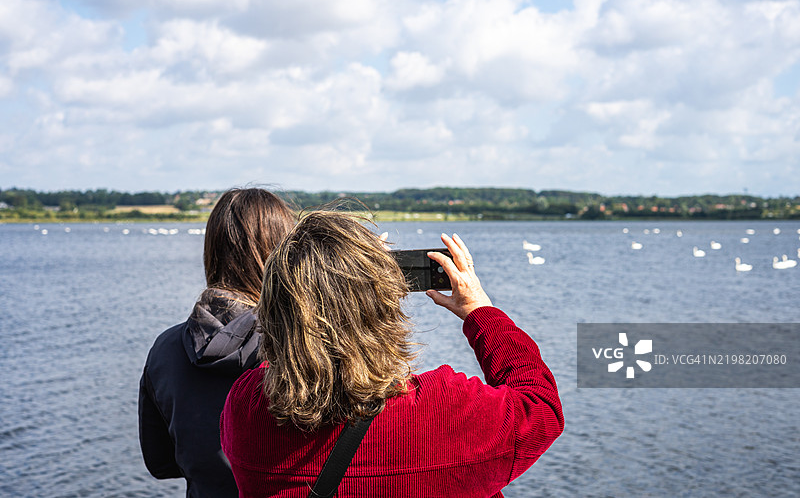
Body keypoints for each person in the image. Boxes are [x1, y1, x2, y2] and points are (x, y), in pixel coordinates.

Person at [220, 210, 564, 497]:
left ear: (273, 309)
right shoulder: (446, 410)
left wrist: (355, 282)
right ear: (381, 308)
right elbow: (542, 407)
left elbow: (295, 350)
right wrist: (479, 310)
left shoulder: (245, 408)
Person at [139, 187, 295, 497]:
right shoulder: (301, 344)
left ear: (211, 252)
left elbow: (160, 464)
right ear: (286, 254)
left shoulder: (165, 348)